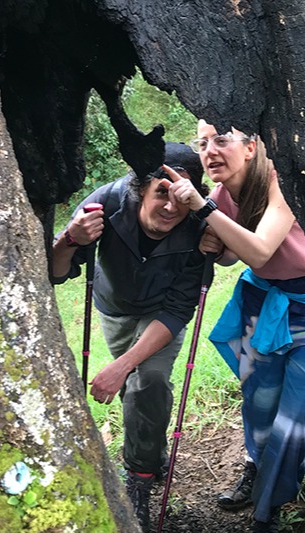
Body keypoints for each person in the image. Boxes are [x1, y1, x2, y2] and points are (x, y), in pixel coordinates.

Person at [164, 121, 305, 533]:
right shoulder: (221, 194)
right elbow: (236, 258)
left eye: (221, 140)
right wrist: (213, 245)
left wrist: (204, 211)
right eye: (202, 143)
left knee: (296, 414)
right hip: (262, 298)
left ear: (250, 147)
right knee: (260, 400)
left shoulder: (278, 182)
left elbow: (264, 248)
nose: (209, 150)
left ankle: (268, 508)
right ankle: (256, 467)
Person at [51, 142, 209, 532]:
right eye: (162, 193)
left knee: (146, 379)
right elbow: (55, 273)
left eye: (181, 198)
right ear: (140, 188)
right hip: (114, 308)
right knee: (136, 389)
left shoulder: (198, 227)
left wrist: (121, 365)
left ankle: (138, 477)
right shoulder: (105, 202)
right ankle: (153, 451)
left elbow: (178, 310)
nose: (172, 208)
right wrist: (70, 239)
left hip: (160, 315)